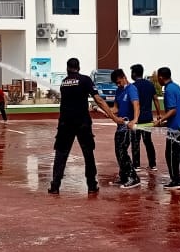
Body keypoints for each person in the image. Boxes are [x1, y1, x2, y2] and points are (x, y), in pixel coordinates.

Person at [49, 58, 124, 195]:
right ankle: (91, 185)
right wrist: (114, 118)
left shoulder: (64, 82)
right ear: (79, 67)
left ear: (67, 69)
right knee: (88, 153)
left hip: (65, 123)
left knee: (61, 154)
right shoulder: (85, 80)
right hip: (82, 122)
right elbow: (98, 99)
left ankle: (55, 185)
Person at [153, 67, 180, 189]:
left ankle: (176, 180)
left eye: (158, 78)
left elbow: (172, 110)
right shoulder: (176, 86)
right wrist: (163, 123)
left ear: (161, 77)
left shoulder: (169, 90)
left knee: (171, 154)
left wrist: (160, 120)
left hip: (177, 127)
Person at [110, 69, 141, 189]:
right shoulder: (119, 91)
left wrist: (135, 119)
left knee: (122, 150)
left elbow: (136, 105)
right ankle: (124, 176)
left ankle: (133, 177)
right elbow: (115, 109)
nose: (118, 85)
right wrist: (107, 111)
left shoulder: (131, 89)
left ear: (124, 77)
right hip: (120, 126)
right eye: (116, 83)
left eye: (119, 82)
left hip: (128, 126)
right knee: (118, 151)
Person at [130, 64, 160, 171]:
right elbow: (155, 99)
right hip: (147, 117)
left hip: (136, 118)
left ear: (134, 73)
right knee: (148, 141)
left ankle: (136, 165)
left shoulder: (133, 86)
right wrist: (158, 113)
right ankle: (152, 164)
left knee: (135, 141)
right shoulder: (150, 85)